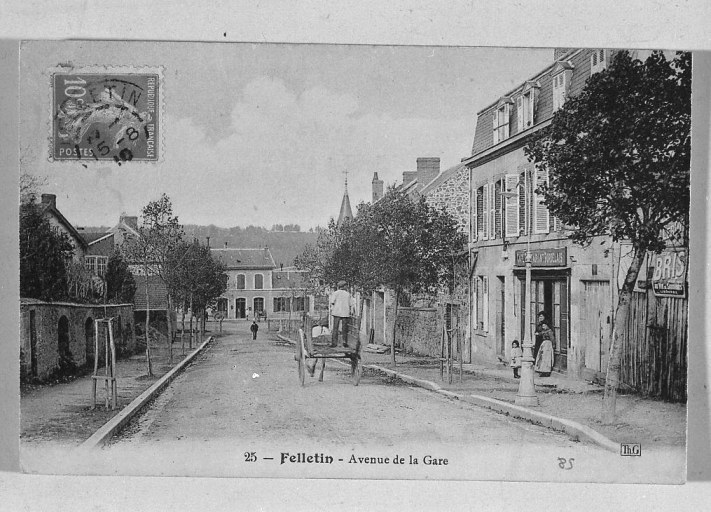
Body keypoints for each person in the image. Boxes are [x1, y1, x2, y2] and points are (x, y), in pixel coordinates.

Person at [329, 280, 352, 348]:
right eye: (346, 285)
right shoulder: (348, 294)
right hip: (345, 312)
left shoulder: (335, 293)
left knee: (335, 328)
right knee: (345, 328)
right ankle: (344, 342)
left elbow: (332, 302)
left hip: (337, 312)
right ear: (344, 286)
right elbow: (350, 304)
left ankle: (334, 343)